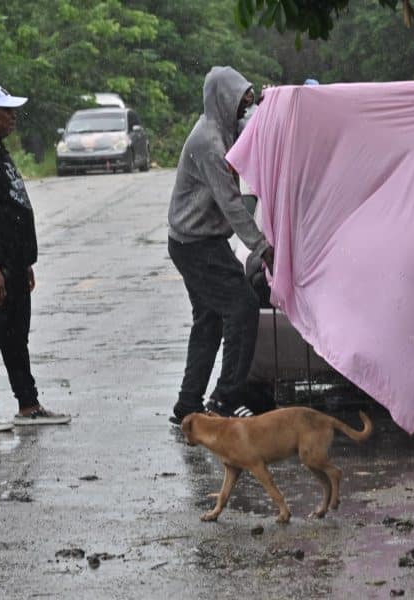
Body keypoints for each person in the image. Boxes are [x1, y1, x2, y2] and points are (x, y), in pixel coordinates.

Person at [0, 83, 72, 432]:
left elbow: (12, 208)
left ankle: (28, 404)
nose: (13, 117)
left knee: (16, 338)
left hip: (16, 265)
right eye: (6, 111)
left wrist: (25, 261)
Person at [167, 66, 274, 424]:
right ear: (223, 99)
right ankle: (225, 398)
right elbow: (231, 202)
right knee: (242, 307)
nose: (244, 106)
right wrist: (261, 247)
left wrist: (269, 104)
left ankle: (188, 404)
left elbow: (253, 127)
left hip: (195, 240)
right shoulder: (208, 141)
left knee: (209, 320)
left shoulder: (224, 129)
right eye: (240, 99)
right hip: (196, 243)